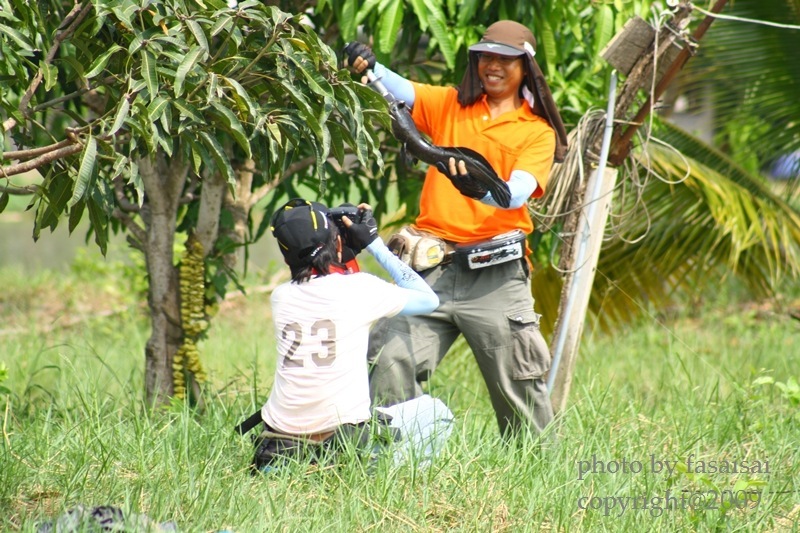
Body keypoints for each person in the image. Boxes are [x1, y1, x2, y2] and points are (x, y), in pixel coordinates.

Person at [342, 20, 569, 438]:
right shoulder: (449, 105)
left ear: (526, 68)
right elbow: (396, 86)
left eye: (505, 59)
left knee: (520, 387)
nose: (492, 66)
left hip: (497, 279)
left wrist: (478, 187)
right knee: (388, 360)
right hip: (430, 272)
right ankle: (392, 465)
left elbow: (516, 193)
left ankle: (539, 480)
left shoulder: (537, 131)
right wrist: (367, 62)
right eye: (485, 56)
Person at [250, 198, 448, 472]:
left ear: (286, 257)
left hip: (279, 445)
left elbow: (326, 284)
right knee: (437, 415)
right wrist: (373, 244)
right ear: (337, 243)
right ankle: (395, 479)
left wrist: (340, 253)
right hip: (339, 443)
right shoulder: (359, 289)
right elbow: (428, 300)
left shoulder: (280, 297)